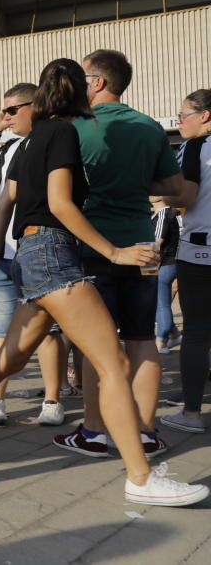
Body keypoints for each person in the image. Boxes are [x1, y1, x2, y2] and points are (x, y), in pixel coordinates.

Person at [0, 58, 207, 507]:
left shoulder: (32, 139)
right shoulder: (62, 134)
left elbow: (6, 201)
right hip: (54, 256)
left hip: (36, 256)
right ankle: (140, 476)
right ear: (82, 93)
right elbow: (59, 203)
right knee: (112, 360)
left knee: (10, 359)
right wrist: (115, 251)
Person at [52, 50, 181, 459]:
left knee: (98, 344)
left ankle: (93, 431)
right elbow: (174, 184)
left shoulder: (77, 127)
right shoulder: (149, 127)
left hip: (95, 245)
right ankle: (145, 431)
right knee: (143, 338)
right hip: (143, 245)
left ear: (97, 82)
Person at [0, 83, 66, 426]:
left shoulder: (53, 140)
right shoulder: (9, 147)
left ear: (36, 105)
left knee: (49, 330)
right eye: (4, 111)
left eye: (13, 110)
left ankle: (52, 399)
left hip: (39, 248)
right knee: (0, 329)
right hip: (5, 252)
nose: (7, 117)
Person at [160, 89, 211, 434]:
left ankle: (192, 413)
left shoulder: (194, 148)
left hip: (199, 252)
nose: (179, 123)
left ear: (205, 115)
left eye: (184, 116)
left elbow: (185, 196)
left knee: (196, 333)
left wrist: (160, 191)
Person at [151, 197, 183, 354]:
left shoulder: (164, 213)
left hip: (165, 263)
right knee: (161, 303)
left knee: (161, 304)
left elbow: (156, 242)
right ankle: (174, 334)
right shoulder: (168, 213)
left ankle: (161, 342)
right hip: (169, 263)